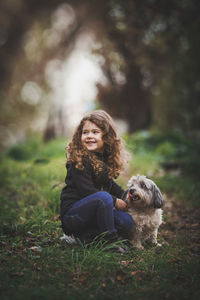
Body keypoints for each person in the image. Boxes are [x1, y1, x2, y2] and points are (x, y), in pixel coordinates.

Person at [60, 110, 134, 250]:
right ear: (79, 136)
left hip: (92, 216)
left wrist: (127, 197)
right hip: (74, 216)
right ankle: (110, 241)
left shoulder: (104, 159)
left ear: (107, 137)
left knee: (127, 222)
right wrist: (115, 201)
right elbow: (87, 191)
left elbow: (110, 185)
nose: (89, 136)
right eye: (85, 132)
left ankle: (87, 237)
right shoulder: (79, 160)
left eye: (95, 132)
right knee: (103, 197)